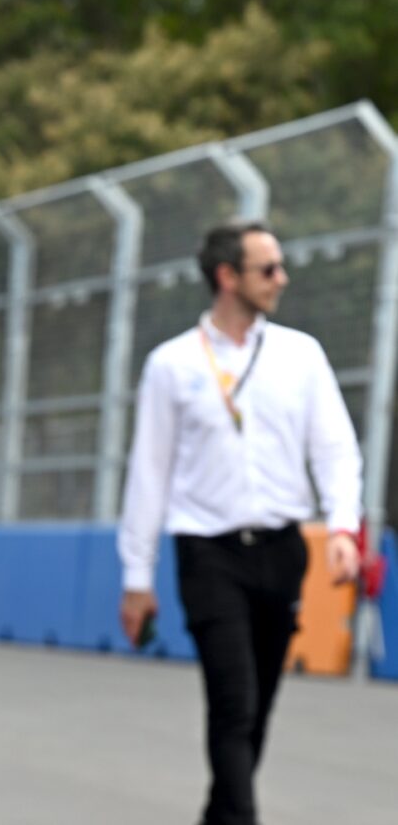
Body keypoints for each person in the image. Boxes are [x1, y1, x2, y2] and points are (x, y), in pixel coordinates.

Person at [118, 219, 363, 825]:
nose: (283, 278)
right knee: (233, 702)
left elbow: (335, 448)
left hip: (282, 550)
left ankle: (220, 816)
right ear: (228, 276)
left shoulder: (301, 355)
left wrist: (342, 527)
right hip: (208, 554)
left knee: (257, 710)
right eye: (269, 268)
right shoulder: (171, 364)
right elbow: (148, 472)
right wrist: (137, 577)